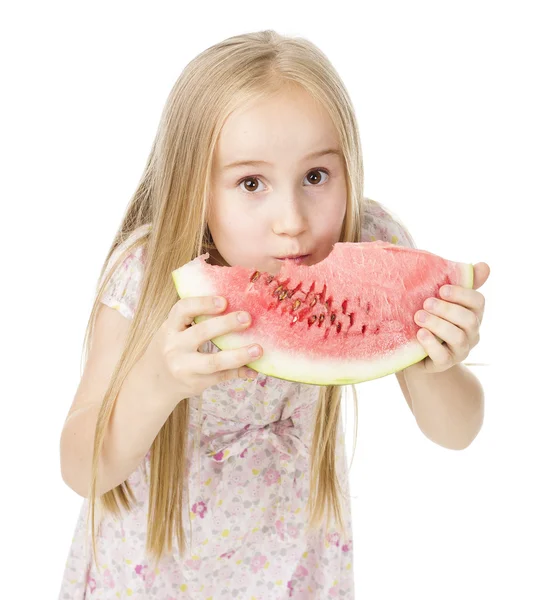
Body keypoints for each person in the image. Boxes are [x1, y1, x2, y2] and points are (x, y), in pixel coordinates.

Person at [58, 30, 487, 599]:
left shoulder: (372, 244)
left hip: (293, 569)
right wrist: (157, 383)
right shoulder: (147, 275)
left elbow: (458, 432)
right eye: (251, 183)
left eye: (316, 177)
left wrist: (435, 364)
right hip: (153, 575)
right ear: (196, 187)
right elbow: (80, 469)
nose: (291, 219)